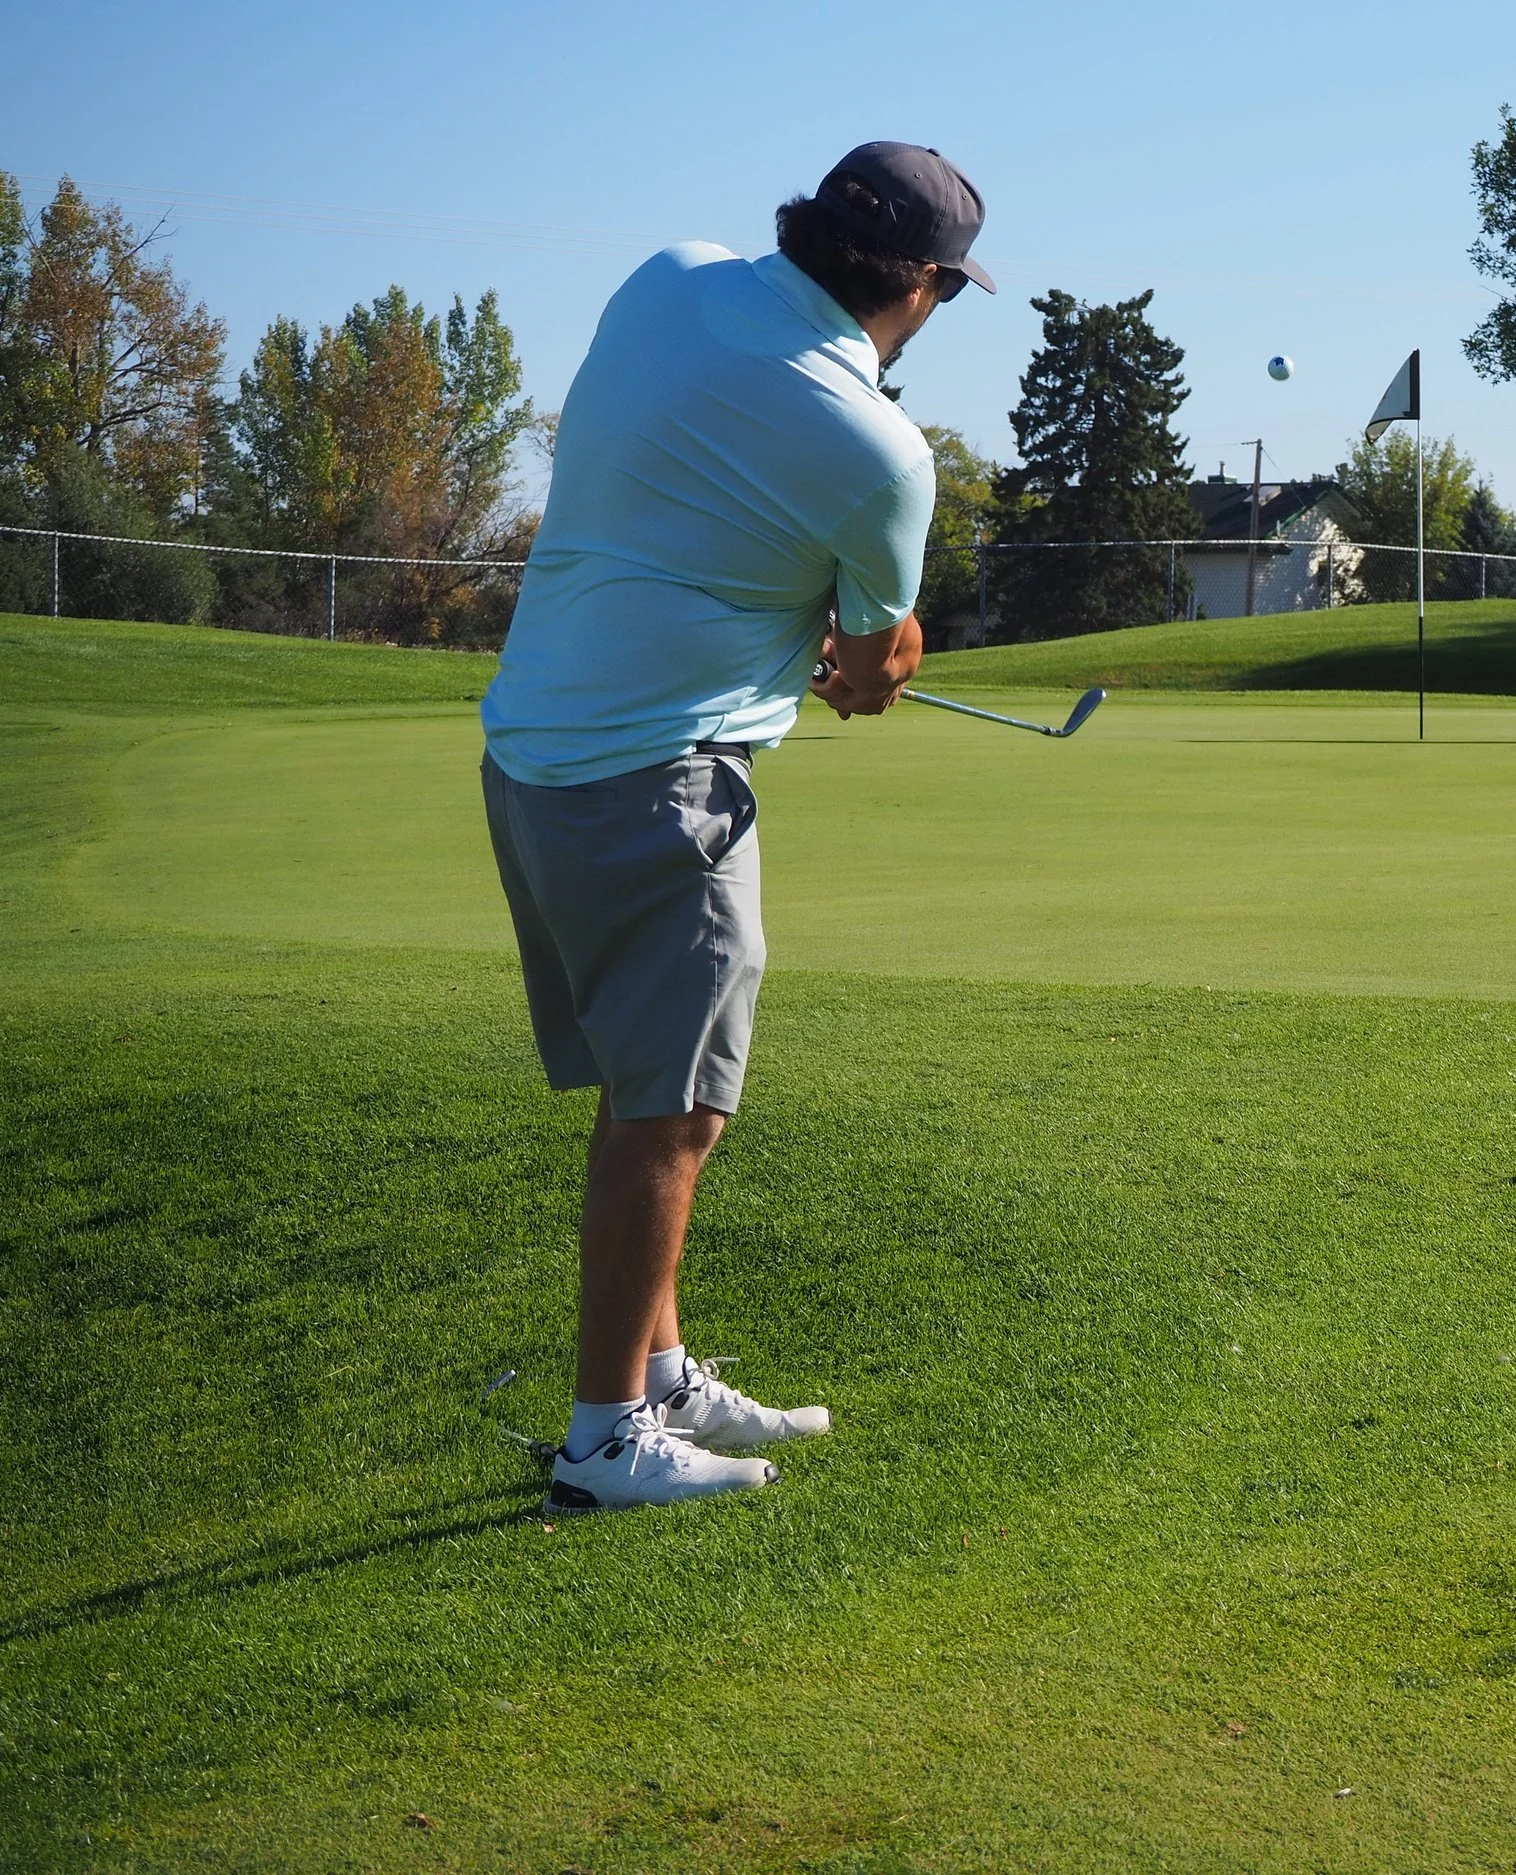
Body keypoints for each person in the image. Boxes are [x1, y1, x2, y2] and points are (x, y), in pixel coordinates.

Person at [477, 143, 993, 1513]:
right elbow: (876, 668)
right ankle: (604, 1436)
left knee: (640, 1083)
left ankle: (660, 1374)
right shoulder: (881, 447)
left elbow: (676, 483)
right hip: (661, 781)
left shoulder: (671, 278)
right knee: (676, 1110)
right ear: (928, 287)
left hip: (531, 750)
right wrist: (863, 655)